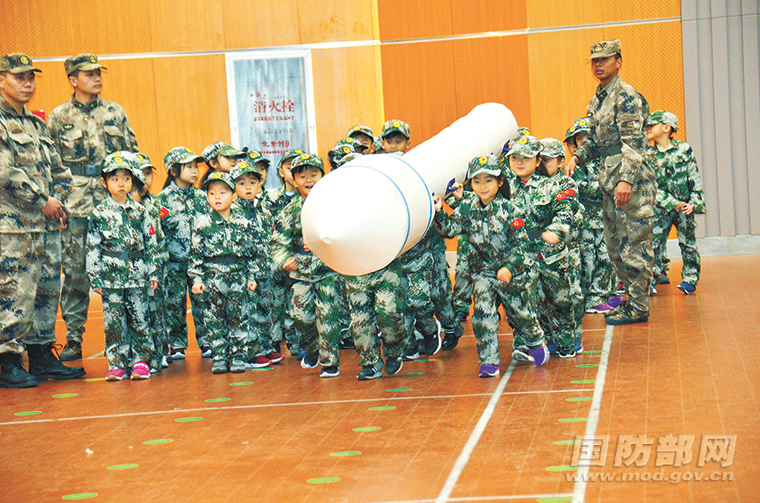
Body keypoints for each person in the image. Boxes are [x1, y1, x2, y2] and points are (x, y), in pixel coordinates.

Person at [0, 53, 86, 388]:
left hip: (47, 225)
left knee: (47, 291)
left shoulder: (36, 124)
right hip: (14, 227)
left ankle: (39, 355)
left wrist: (59, 198)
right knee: (14, 292)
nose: (27, 83)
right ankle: (7, 360)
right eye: (19, 77)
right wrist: (42, 200)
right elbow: (5, 172)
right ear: (2, 79)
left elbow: (60, 169)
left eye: (30, 78)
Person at [48, 53, 139, 362]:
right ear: (73, 80)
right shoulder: (59, 116)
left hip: (114, 203)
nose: (96, 78)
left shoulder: (115, 112)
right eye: (88, 74)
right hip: (74, 204)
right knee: (75, 273)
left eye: (98, 72)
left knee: (123, 267)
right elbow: (49, 163)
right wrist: (55, 203)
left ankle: (131, 338)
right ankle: (73, 337)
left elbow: (133, 156)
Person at [565, 39, 655, 325]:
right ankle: (631, 302)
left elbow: (634, 143)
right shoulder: (598, 99)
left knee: (634, 245)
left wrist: (626, 180)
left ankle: (639, 307)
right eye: (594, 60)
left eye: (605, 59)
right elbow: (593, 139)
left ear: (618, 61)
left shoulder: (626, 96)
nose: (599, 64)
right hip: (610, 180)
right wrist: (577, 158)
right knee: (616, 247)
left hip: (631, 183)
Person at [433, 154, 549, 377]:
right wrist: (439, 213)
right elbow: (449, 230)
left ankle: (535, 340)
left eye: (489, 180)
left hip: (510, 274)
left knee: (519, 314)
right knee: (483, 316)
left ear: (500, 182)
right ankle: (489, 361)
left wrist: (510, 268)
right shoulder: (467, 206)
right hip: (483, 274)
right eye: (477, 181)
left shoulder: (509, 210)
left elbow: (523, 245)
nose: (483, 186)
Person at [271, 153, 350, 378]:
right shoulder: (290, 211)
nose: (308, 179)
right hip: (301, 273)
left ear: (323, 177)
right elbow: (278, 243)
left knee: (328, 317)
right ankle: (313, 348)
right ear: (293, 181)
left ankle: (330, 362)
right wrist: (284, 261)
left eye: (314, 174)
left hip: (327, 271)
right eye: (302, 175)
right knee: (302, 318)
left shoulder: (334, 205)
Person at [86, 152, 158, 381]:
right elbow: (92, 247)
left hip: (138, 274)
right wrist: (95, 277)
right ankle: (117, 363)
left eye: (126, 178)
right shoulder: (98, 214)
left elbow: (151, 243)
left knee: (139, 317)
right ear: (104, 182)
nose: (121, 183)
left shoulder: (140, 212)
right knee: (114, 321)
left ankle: (140, 361)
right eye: (115, 178)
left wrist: (153, 270)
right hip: (111, 277)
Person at [189, 171, 267, 374]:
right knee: (214, 317)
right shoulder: (202, 224)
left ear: (233, 196)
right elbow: (195, 256)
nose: (217, 197)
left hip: (238, 276)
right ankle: (220, 356)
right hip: (213, 276)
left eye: (223, 192)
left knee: (238, 316)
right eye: (212, 193)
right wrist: (197, 279)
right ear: (207, 197)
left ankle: (238, 355)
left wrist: (251, 277)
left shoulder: (243, 223)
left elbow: (253, 253)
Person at [507, 136, 577, 357]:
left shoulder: (552, 186)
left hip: (550, 256)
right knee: (522, 301)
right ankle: (526, 343)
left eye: (526, 158)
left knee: (559, 302)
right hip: (521, 256)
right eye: (514, 158)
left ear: (537, 161)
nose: (519, 162)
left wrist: (555, 231)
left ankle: (566, 342)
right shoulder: (504, 188)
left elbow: (565, 212)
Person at [156, 147, 209, 359]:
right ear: (174, 170)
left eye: (196, 166)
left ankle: (207, 341)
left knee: (203, 302)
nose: (194, 171)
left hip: (198, 262)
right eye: (188, 167)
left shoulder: (202, 196)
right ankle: (176, 343)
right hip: (173, 263)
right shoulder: (162, 199)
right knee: (174, 304)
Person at [645, 110, 705, 294]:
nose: (646, 129)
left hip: (684, 208)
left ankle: (690, 278)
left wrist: (695, 201)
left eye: (651, 125)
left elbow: (694, 177)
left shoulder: (684, 149)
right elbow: (649, 185)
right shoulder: (647, 153)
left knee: (688, 244)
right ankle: (652, 279)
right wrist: (671, 201)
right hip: (659, 208)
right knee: (654, 244)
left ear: (666, 127)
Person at [567, 118, 622, 313]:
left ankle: (602, 293)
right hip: (587, 221)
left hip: (605, 217)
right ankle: (589, 298)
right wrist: (606, 188)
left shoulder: (605, 161)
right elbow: (579, 188)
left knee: (606, 257)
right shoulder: (576, 165)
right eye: (582, 139)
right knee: (589, 258)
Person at [231, 161, 282, 364]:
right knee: (247, 312)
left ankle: (265, 346)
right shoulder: (232, 213)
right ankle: (250, 352)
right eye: (242, 183)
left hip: (264, 270)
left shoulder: (263, 211)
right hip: (244, 272)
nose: (249, 187)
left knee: (265, 308)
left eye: (253, 182)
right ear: (233, 186)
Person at [539, 138, 585, 355]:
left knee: (572, 295)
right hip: (541, 253)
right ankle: (551, 337)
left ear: (559, 162)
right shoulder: (533, 186)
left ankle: (573, 334)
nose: (540, 165)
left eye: (546, 161)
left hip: (567, 250)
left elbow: (570, 214)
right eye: (538, 160)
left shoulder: (566, 183)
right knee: (542, 298)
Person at [131, 152, 170, 372]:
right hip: (134, 266)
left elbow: (161, 234)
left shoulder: (155, 202)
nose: (146, 178)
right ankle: (140, 355)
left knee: (157, 309)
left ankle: (160, 351)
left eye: (148, 173)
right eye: (141, 173)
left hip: (157, 263)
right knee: (139, 311)